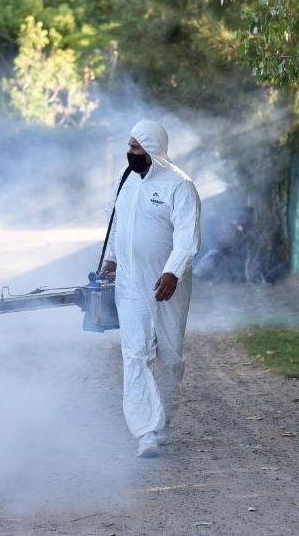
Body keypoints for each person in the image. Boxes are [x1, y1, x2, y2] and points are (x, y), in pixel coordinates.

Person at [101, 119, 201, 458]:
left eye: (135, 148)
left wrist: (173, 272)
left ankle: (162, 423)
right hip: (129, 283)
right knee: (136, 354)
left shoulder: (179, 186)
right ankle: (145, 431)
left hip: (165, 285)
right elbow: (117, 223)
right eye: (128, 147)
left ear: (153, 150)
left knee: (169, 358)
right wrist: (112, 259)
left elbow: (187, 236)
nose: (129, 154)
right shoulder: (127, 180)